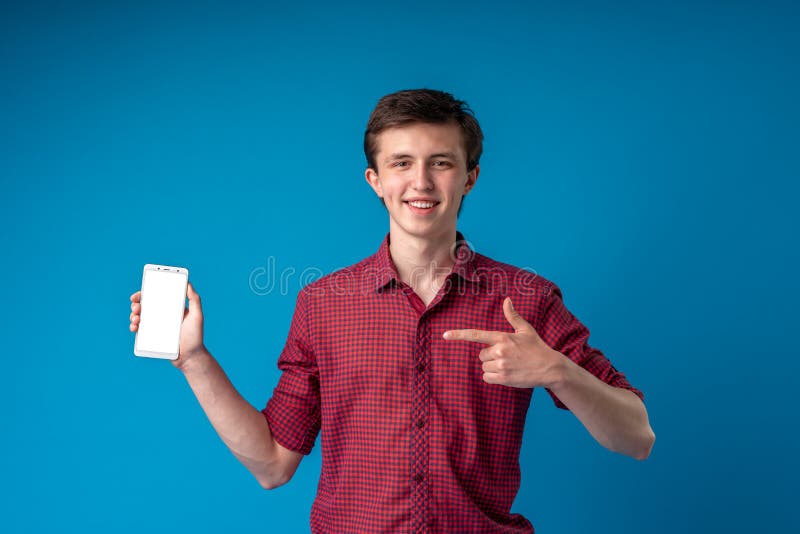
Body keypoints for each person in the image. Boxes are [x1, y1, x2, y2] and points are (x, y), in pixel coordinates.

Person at [129, 88, 655, 533]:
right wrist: (192, 359)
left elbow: (636, 437)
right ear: (375, 180)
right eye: (401, 163)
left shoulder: (526, 299)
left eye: (441, 162)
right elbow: (272, 463)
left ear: (470, 177)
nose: (421, 182)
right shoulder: (322, 305)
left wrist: (557, 371)